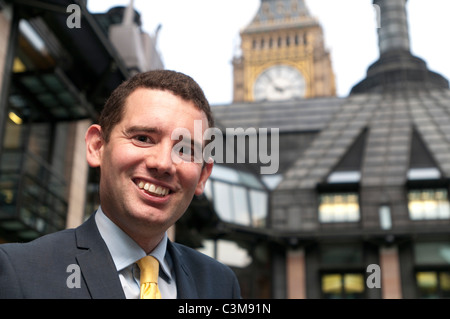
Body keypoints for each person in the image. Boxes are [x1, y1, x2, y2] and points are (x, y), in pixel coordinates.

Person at [0, 70, 241, 299]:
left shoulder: (220, 285)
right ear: (97, 147)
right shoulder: (18, 274)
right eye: (143, 138)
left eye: (185, 150)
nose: (164, 163)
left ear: (202, 176)